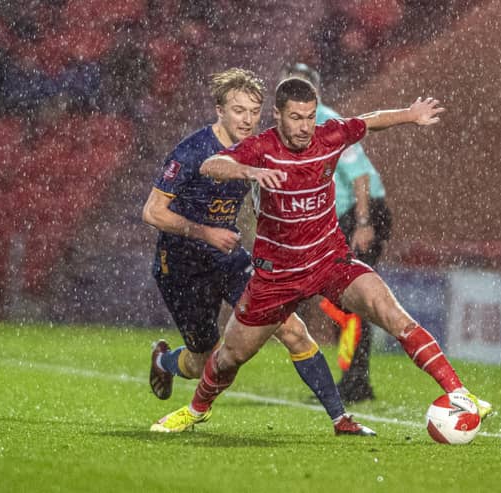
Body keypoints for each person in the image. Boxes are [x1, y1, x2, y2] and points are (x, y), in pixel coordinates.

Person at [151, 76, 493, 434]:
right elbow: (211, 165)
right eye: (296, 118)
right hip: (277, 276)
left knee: (393, 316)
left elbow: (369, 119)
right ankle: (196, 410)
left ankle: (460, 395)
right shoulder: (259, 146)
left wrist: (409, 114)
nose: (304, 127)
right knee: (229, 356)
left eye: (310, 117)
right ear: (278, 115)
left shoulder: (328, 137)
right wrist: (250, 170)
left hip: (329, 262)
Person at [143, 68, 374, 436]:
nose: (247, 119)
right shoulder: (192, 151)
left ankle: (340, 418)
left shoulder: (259, 148)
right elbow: (152, 211)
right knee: (202, 359)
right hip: (183, 266)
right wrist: (203, 232)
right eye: (238, 110)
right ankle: (164, 361)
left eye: (253, 111)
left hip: (229, 259)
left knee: (293, 331)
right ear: (220, 110)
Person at [279, 62, 392, 403]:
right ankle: (356, 377)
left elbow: (360, 177)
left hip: (362, 212)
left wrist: (362, 223)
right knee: (339, 299)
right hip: (343, 217)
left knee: (351, 299)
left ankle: (356, 379)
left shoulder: (325, 120)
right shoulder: (299, 124)